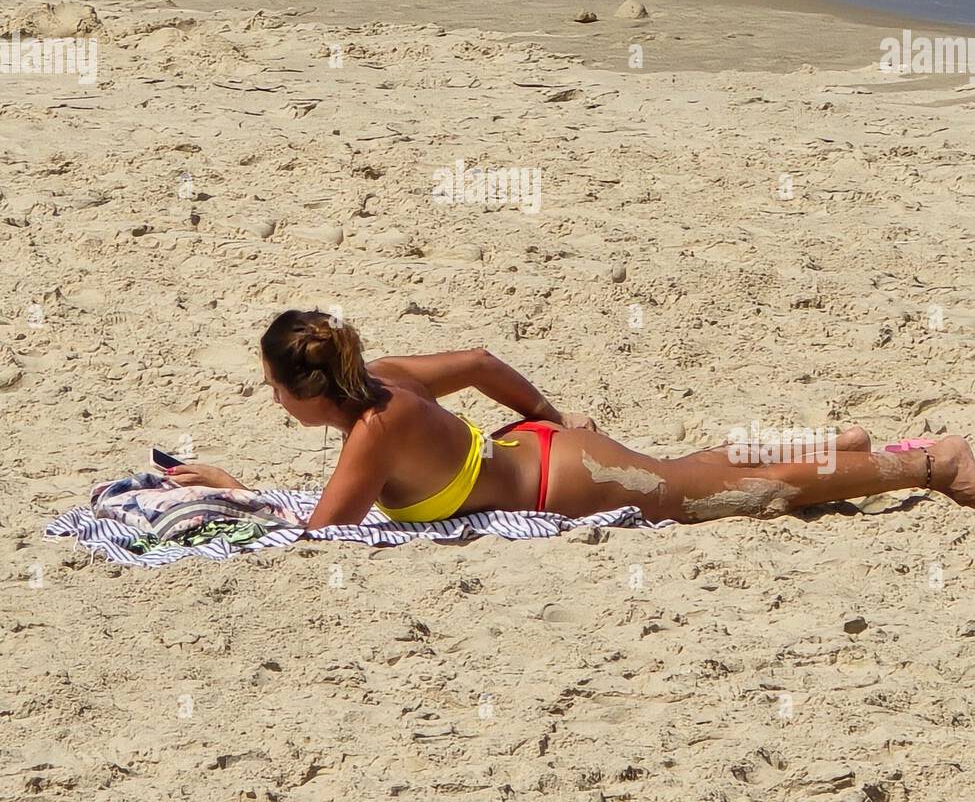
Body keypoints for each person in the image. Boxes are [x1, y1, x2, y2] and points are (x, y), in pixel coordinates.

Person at [167, 309, 975, 529]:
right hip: (546, 447)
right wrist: (551, 416)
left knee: (732, 492)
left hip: (572, 479)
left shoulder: (372, 436)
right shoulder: (383, 381)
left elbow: (319, 532)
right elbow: (482, 362)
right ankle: (840, 444)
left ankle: (929, 463)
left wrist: (231, 487)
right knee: (697, 463)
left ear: (311, 391)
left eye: (275, 389)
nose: (273, 402)